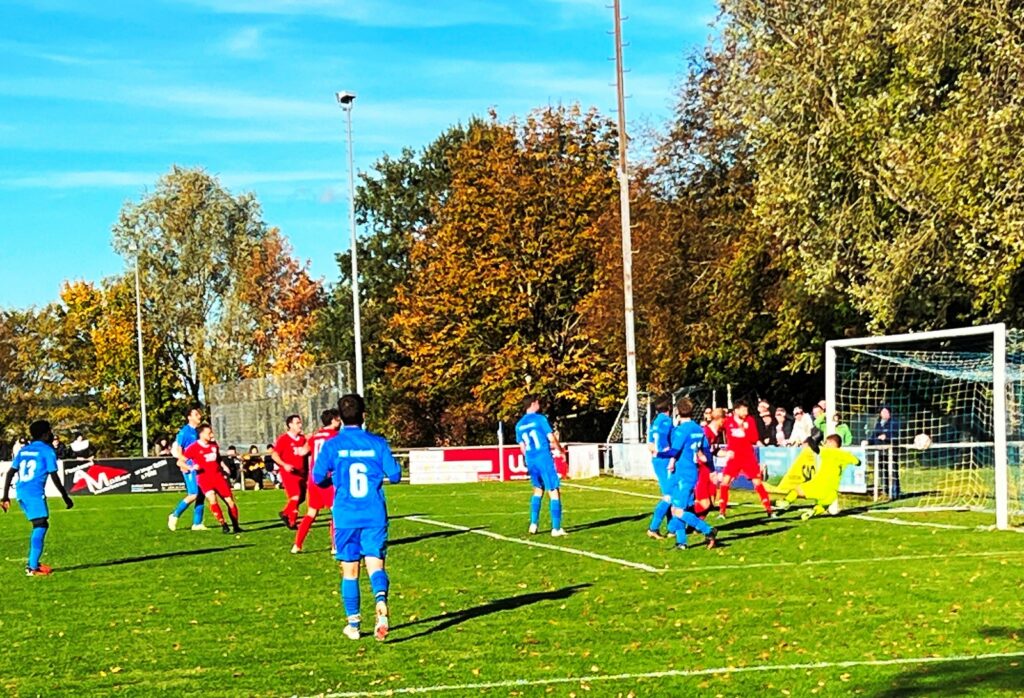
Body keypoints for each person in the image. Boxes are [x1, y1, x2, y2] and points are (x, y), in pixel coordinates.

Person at [312, 394, 402, 642]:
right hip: (373, 513)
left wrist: (334, 480)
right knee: (376, 564)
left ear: (340, 418)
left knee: (350, 570)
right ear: (364, 416)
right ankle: (381, 601)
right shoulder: (377, 443)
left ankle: (353, 625)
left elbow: (317, 478)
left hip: (346, 515)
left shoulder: (332, 445)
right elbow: (395, 475)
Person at [1, 420, 75, 575]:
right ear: (45, 434)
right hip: (34, 493)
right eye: (50, 431)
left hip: (21, 492)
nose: (51, 434)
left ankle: (34, 563)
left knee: (40, 524)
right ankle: (32, 567)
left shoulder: (24, 450)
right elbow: (54, 476)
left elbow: (10, 472)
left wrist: (5, 496)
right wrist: (65, 497)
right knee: (40, 525)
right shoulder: (47, 451)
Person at [665, 398, 718, 550]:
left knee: (677, 510)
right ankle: (681, 543)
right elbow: (706, 452)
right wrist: (712, 470)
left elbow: (675, 450)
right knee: (680, 508)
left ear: (677, 411)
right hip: (693, 472)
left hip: (683, 474)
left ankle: (708, 530)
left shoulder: (681, 430)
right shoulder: (699, 429)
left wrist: (670, 462)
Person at [515, 394, 567, 537]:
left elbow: (522, 448)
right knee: (553, 490)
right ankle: (556, 528)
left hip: (531, 460)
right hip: (543, 458)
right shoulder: (540, 419)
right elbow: (551, 438)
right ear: (533, 404)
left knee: (538, 490)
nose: (539, 404)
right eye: (537, 402)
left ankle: (533, 524)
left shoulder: (519, 425)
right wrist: (561, 451)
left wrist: (529, 460)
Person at [292, 408, 341, 554]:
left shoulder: (315, 436)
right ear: (333, 420)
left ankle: (297, 545)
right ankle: (335, 546)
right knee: (336, 511)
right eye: (338, 419)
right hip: (327, 478)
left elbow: (302, 452)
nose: (340, 422)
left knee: (311, 513)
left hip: (313, 479)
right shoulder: (335, 436)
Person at [775, 434, 859, 519]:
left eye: (826, 442)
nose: (825, 444)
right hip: (832, 491)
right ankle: (814, 511)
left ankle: (786, 502)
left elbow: (815, 447)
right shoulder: (846, 454)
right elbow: (858, 462)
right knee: (824, 506)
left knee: (797, 490)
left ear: (831, 443)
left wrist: (809, 438)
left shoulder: (827, 451)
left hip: (818, 485)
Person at [180, 424, 242, 534]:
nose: (212, 435)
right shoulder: (193, 448)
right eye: (209, 433)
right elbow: (180, 462)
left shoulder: (214, 445)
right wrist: (191, 467)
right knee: (212, 499)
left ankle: (236, 526)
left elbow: (218, 458)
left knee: (230, 502)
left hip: (218, 477)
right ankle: (223, 524)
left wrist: (224, 466)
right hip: (204, 479)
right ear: (201, 434)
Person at [717, 399, 772, 518]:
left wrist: (745, 430)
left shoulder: (750, 420)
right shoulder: (728, 421)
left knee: (757, 482)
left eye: (746, 410)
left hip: (748, 456)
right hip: (734, 457)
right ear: (736, 410)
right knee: (725, 482)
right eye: (743, 410)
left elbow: (754, 438)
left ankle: (769, 509)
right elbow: (718, 426)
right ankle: (722, 511)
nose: (745, 412)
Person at [168, 406, 206, 531]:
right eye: (196, 414)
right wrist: (184, 465)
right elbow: (179, 452)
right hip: (190, 466)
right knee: (193, 494)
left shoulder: (199, 431)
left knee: (201, 494)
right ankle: (174, 515)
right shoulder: (184, 432)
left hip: (200, 466)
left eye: (199, 414)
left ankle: (197, 523)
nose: (199, 416)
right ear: (189, 417)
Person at [645, 394, 676, 540]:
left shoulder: (655, 422)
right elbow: (671, 443)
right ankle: (653, 528)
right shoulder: (667, 422)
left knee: (671, 493)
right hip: (665, 460)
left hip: (656, 460)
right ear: (669, 407)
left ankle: (672, 529)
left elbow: (650, 445)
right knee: (669, 495)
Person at [272, 415, 310, 529]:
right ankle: (287, 517)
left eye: (300, 422)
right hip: (289, 473)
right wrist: (284, 465)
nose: (300, 425)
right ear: (290, 425)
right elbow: (274, 455)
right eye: (297, 423)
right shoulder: (284, 439)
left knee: (301, 498)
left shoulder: (303, 439)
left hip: (302, 473)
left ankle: (289, 518)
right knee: (295, 496)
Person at [868, 405, 901, 498]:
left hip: (891, 452)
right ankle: (886, 491)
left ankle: (895, 493)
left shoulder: (894, 423)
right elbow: (874, 436)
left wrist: (886, 437)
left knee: (893, 472)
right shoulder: (878, 424)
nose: (884, 414)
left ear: (889, 413)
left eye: (886, 412)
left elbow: (896, 435)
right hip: (880, 452)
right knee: (883, 471)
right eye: (882, 412)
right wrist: (868, 441)